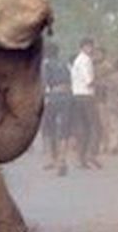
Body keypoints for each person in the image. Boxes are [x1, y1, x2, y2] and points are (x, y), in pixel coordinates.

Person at [40, 42, 72, 175]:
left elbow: (44, 83)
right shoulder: (64, 64)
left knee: (48, 128)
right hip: (67, 96)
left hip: (53, 96)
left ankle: (51, 159)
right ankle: (62, 159)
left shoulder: (46, 64)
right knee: (64, 128)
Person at [70, 37, 103, 169]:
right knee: (96, 127)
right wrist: (102, 82)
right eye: (90, 46)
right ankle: (91, 155)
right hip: (86, 96)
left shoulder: (77, 60)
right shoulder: (85, 60)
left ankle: (81, 158)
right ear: (84, 47)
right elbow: (89, 80)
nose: (92, 49)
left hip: (77, 96)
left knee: (83, 128)